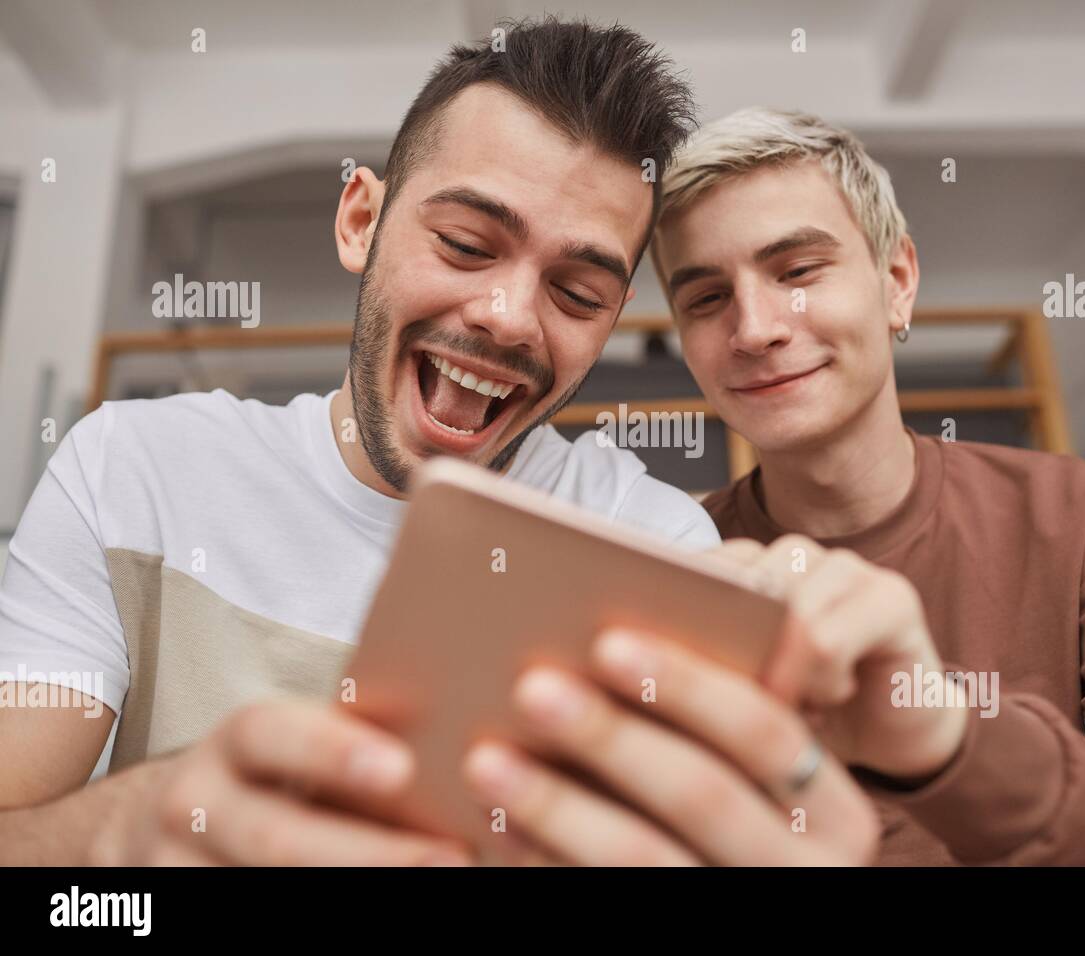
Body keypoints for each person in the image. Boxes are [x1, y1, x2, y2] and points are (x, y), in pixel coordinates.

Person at [0, 22, 882, 866]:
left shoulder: (651, 542)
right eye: (466, 245)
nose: (508, 318)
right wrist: (126, 832)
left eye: (576, 294)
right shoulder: (131, 469)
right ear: (360, 222)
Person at [649, 106, 1085, 864]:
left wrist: (951, 735)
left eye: (797, 271)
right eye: (705, 299)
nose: (755, 327)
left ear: (896, 282)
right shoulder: (675, 559)